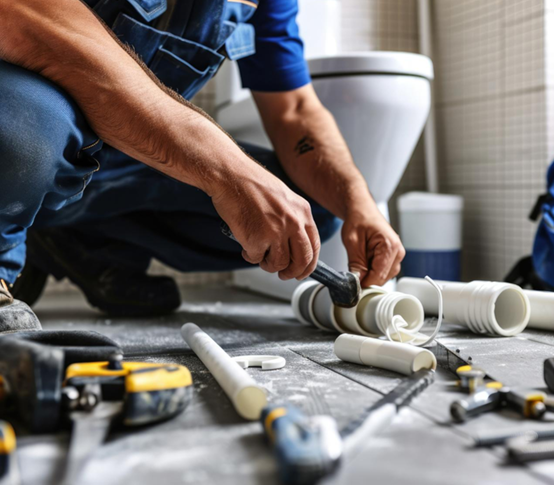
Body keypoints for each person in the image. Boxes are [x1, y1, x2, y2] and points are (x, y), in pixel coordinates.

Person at [0, 0, 405, 316]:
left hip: (104, 167)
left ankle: (73, 241)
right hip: (30, 136)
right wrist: (228, 172)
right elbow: (20, 17)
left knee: (309, 214)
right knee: (26, 128)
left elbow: (295, 109)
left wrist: (360, 203)